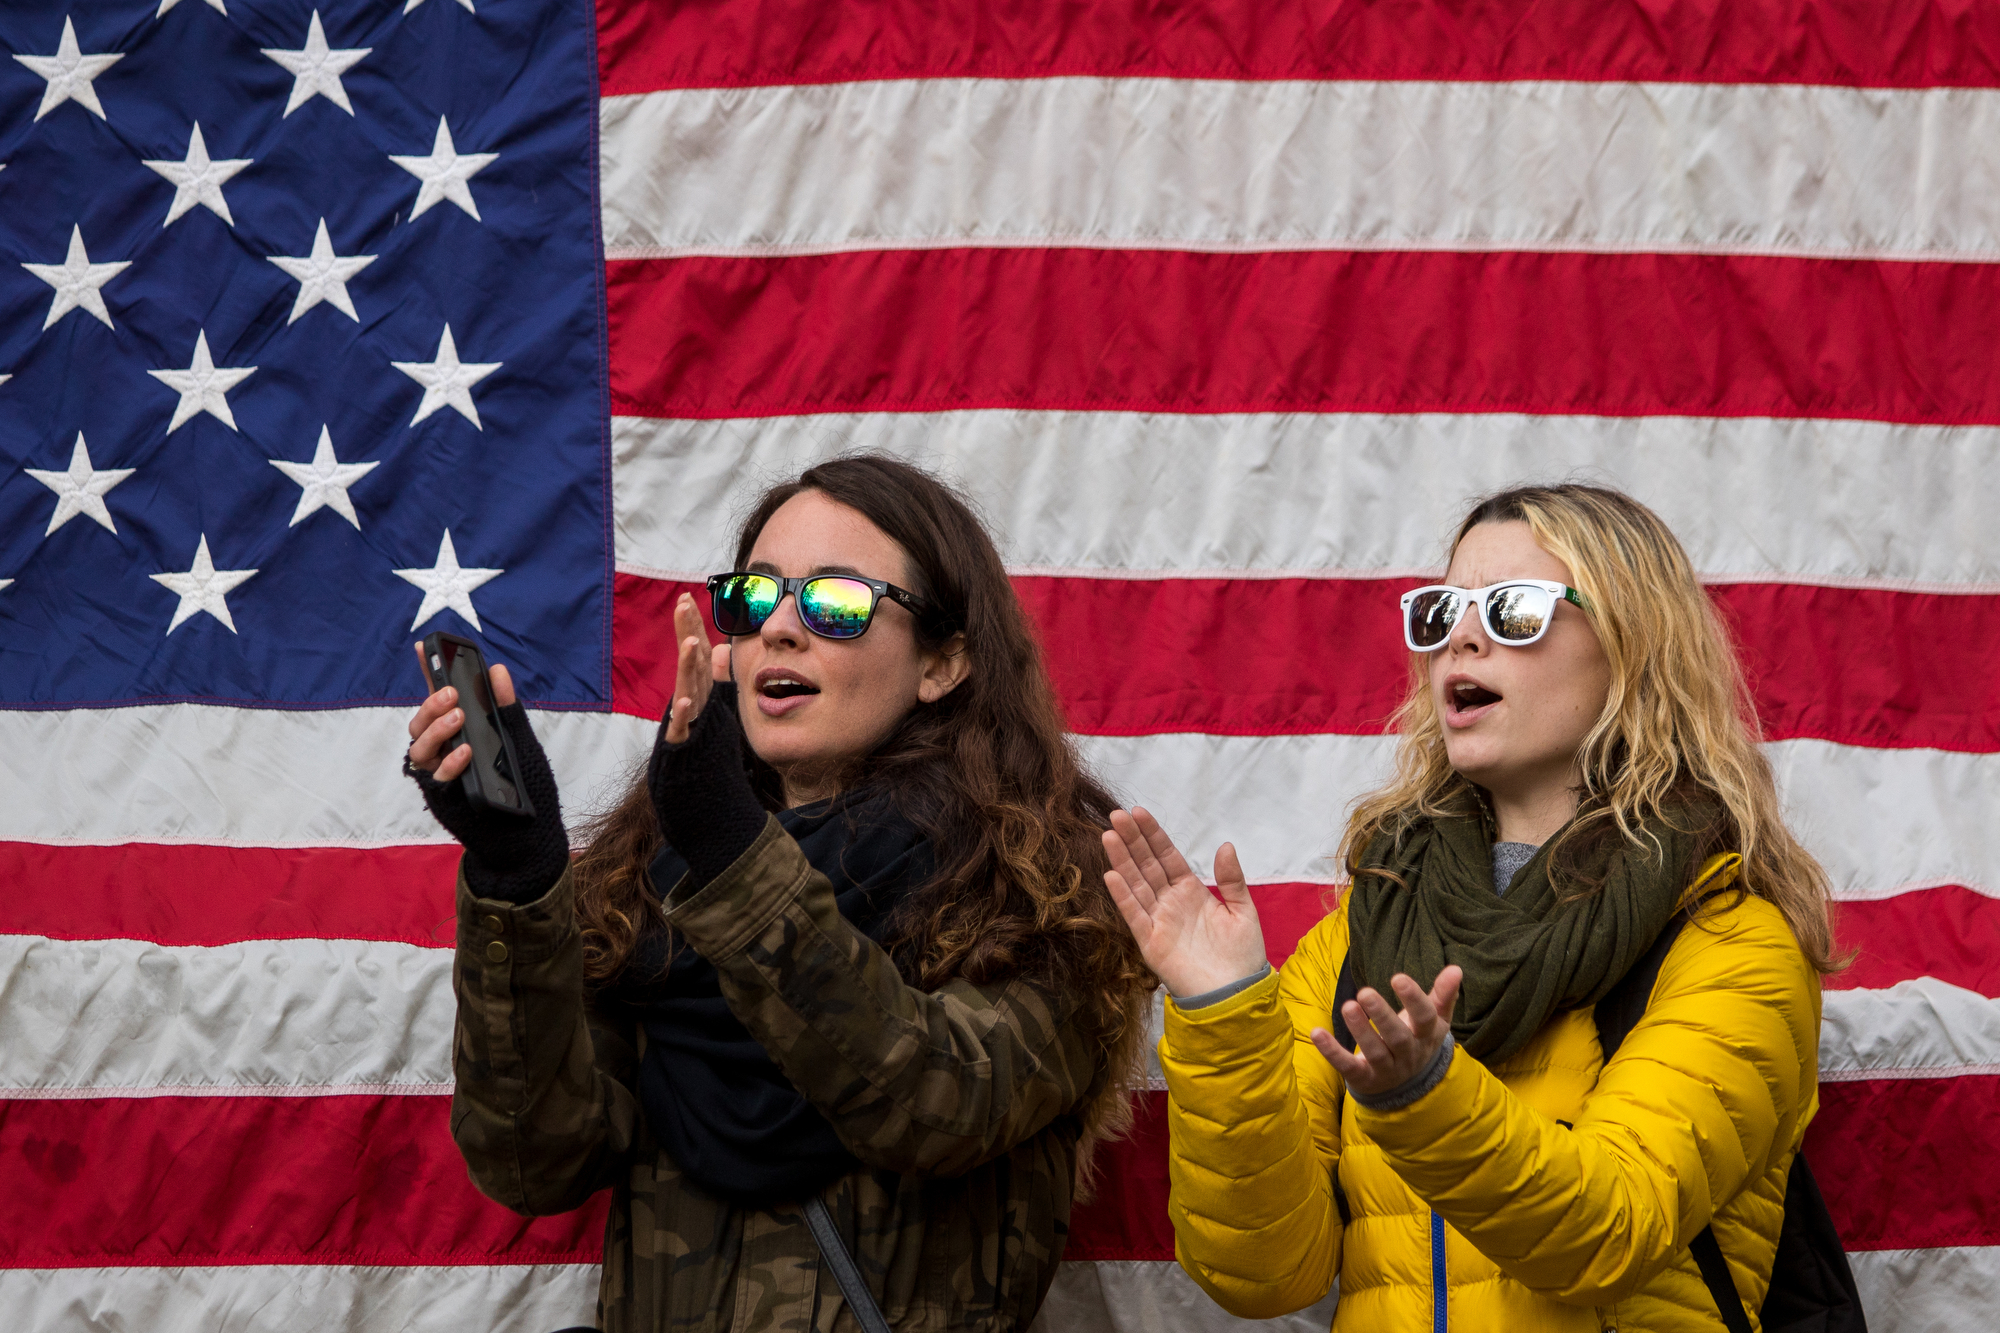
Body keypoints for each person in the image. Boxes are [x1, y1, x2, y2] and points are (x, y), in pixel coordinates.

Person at [403, 455, 1148, 1333]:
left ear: (943, 661)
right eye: (754, 600)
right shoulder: (655, 877)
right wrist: (517, 879)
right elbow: (534, 1162)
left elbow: (930, 1101)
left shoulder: (1046, 883)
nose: (781, 630)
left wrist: (734, 855)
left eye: (835, 602)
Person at [1104, 484, 1838, 1331]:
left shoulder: (1727, 939)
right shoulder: (1369, 926)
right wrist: (1223, 1006)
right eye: (1444, 609)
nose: (1462, 634)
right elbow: (1265, 1274)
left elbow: (1609, 1230)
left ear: (1634, 645)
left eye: (1515, 609)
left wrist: (1427, 1095)